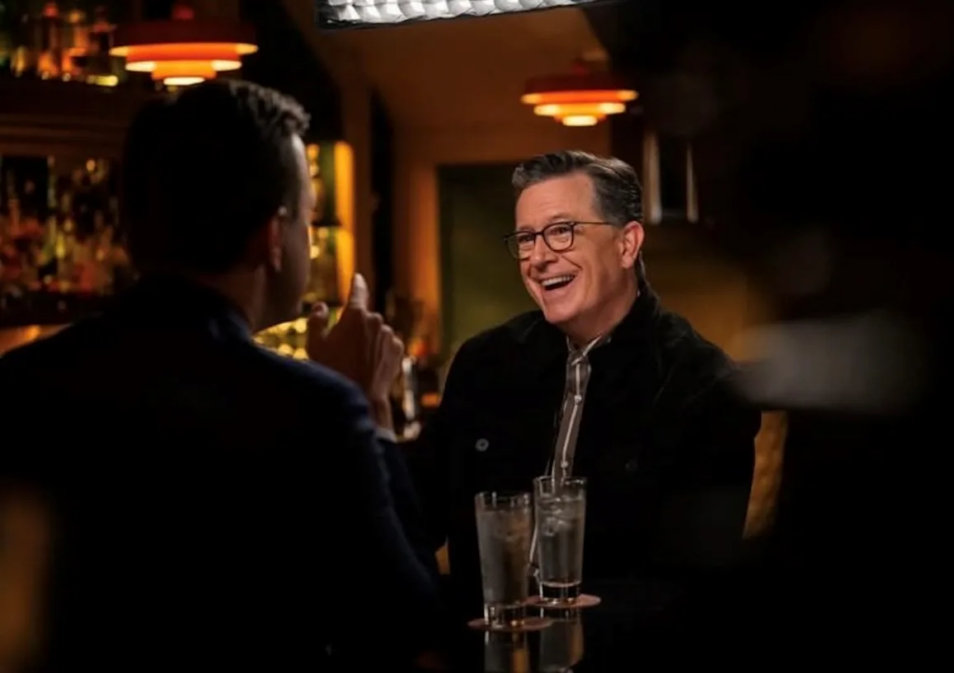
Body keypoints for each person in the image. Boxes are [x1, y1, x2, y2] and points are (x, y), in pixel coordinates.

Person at [0, 80, 440, 671]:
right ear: (272, 238)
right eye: (306, 218)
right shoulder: (310, 410)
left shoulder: (19, 384)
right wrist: (373, 408)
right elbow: (408, 627)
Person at [403, 150, 761, 633]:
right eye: (526, 238)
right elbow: (410, 522)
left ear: (627, 244)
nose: (539, 258)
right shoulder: (483, 363)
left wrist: (575, 620)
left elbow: (695, 587)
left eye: (562, 231)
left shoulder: (704, 386)